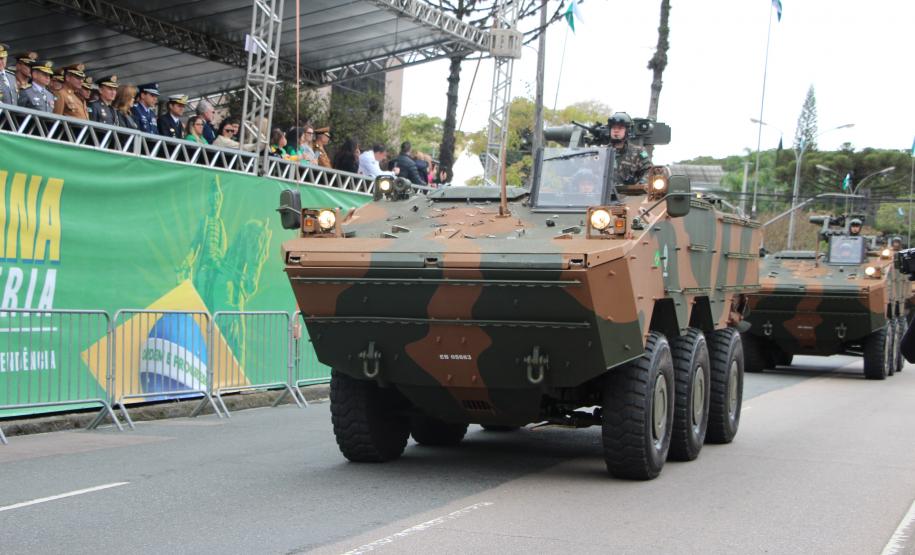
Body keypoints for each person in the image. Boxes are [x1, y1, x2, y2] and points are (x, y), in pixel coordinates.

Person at [608, 112, 651, 185]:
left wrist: (639, 183)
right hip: (604, 194)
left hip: (629, 194)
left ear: (628, 131)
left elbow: (649, 171)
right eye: (613, 128)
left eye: (620, 128)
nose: (616, 130)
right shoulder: (602, 152)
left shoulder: (639, 152)